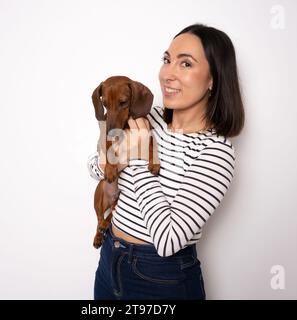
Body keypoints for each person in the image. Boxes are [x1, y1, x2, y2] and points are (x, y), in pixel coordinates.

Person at [87, 23, 244, 300]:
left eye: (185, 64)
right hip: (110, 259)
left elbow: (169, 240)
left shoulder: (216, 152)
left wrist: (134, 159)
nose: (168, 73)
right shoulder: (147, 116)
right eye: (167, 60)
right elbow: (92, 165)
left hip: (160, 279)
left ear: (213, 80)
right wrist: (111, 162)